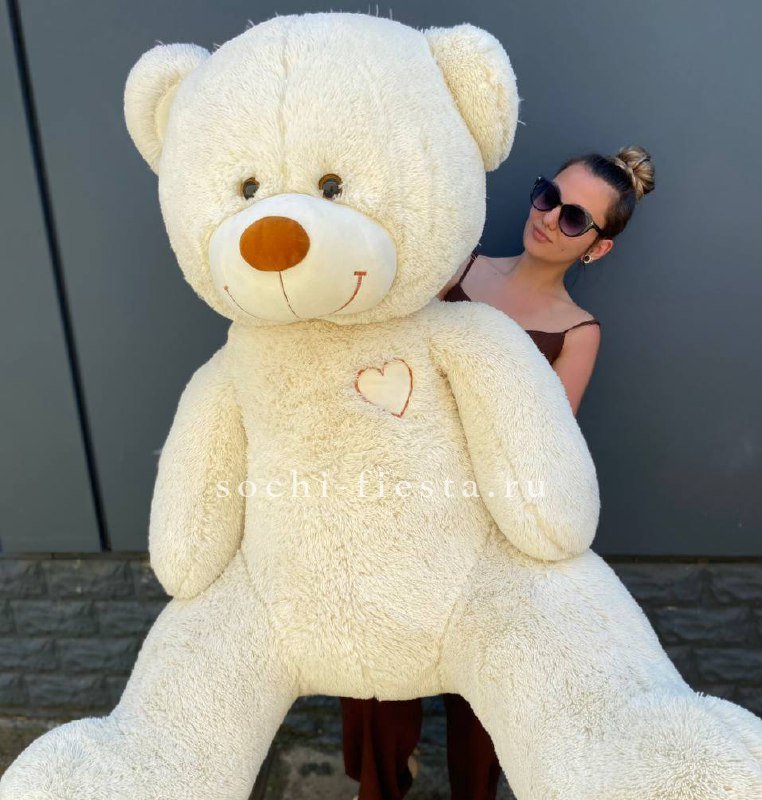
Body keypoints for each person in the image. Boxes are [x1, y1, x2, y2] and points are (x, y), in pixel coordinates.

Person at [340, 145, 656, 800]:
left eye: (575, 218)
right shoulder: (459, 267)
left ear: (597, 248)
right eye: (549, 196)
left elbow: (544, 447)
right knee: (376, 687)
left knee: (483, 711)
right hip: (401, 514)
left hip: (487, 539)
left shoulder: (577, 331)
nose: (550, 218)